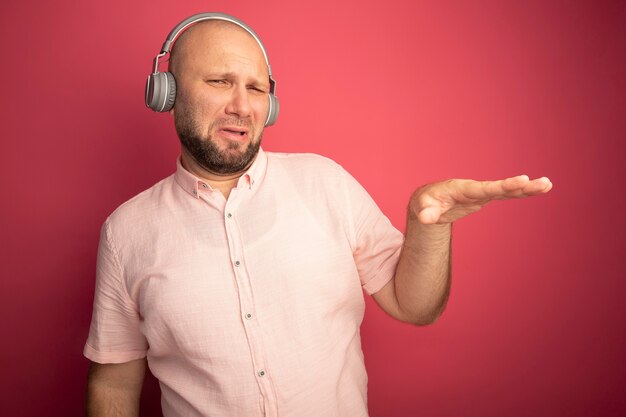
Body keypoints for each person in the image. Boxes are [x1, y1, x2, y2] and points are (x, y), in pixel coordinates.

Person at [84, 13, 552, 417]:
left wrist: (431, 227)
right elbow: (114, 383)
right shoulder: (127, 231)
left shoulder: (325, 182)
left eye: (256, 88)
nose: (242, 106)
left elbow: (416, 305)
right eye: (219, 81)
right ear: (166, 92)